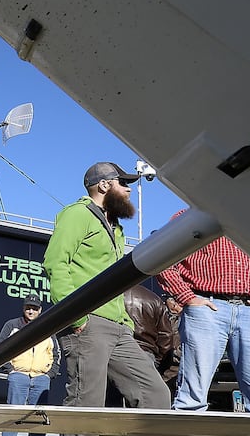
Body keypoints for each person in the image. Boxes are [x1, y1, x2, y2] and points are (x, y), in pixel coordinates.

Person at [42, 162, 170, 412]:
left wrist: (125, 320)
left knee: (155, 394)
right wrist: (76, 318)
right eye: (123, 183)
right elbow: (55, 264)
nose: (129, 190)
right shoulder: (77, 214)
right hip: (88, 324)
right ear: (104, 185)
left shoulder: (116, 227)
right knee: (86, 404)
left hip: (119, 327)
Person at [156, 213, 250, 413]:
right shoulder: (191, 216)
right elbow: (162, 256)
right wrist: (188, 297)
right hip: (206, 306)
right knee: (192, 397)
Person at [0, 293, 59, 436]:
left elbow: (56, 353)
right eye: (28, 308)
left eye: (35, 308)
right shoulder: (12, 325)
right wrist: (10, 370)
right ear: (23, 308)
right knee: (13, 414)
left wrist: (49, 374)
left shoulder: (48, 327)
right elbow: (0, 349)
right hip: (18, 375)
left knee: (37, 418)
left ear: (40, 310)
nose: (31, 311)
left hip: (41, 378)